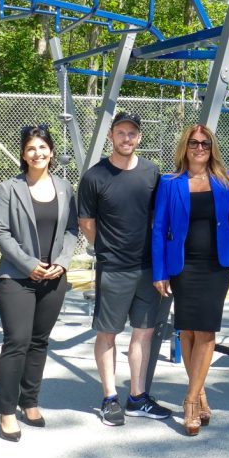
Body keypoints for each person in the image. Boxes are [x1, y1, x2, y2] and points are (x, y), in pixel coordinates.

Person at [152, 124, 229, 436]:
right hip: (183, 266)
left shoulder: (225, 180)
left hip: (216, 266)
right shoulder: (170, 183)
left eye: (205, 143)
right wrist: (160, 271)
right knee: (187, 330)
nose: (199, 148)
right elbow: (159, 228)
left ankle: (190, 401)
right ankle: (202, 392)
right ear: (185, 147)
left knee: (205, 331)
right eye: (193, 143)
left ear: (212, 147)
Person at [78, 111, 172, 426]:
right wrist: (107, 249)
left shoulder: (151, 172)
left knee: (143, 334)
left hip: (147, 268)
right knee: (108, 333)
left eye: (132, 133)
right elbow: (86, 223)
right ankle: (109, 398)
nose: (126, 138)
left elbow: (160, 218)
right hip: (114, 268)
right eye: (121, 133)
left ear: (139, 137)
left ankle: (137, 397)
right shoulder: (95, 177)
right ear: (111, 137)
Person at [0, 125, 79, 441]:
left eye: (43, 147)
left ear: (51, 151)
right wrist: (29, 265)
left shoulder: (65, 188)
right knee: (17, 341)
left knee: (40, 341)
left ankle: (30, 401)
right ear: (23, 154)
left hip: (54, 278)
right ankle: (6, 410)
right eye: (31, 149)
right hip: (17, 278)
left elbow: (71, 230)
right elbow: (0, 231)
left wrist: (62, 263)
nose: (38, 153)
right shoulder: (9, 188)